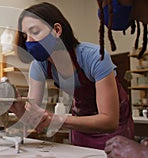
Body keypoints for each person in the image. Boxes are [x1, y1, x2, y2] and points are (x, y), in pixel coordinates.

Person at [10, 2, 134, 150]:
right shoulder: (39, 66)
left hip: (115, 129)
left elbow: (109, 121)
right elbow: (35, 119)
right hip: (80, 125)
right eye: (25, 36)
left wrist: (55, 119)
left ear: (56, 30)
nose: (29, 41)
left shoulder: (94, 57)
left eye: (35, 32)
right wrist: (16, 108)